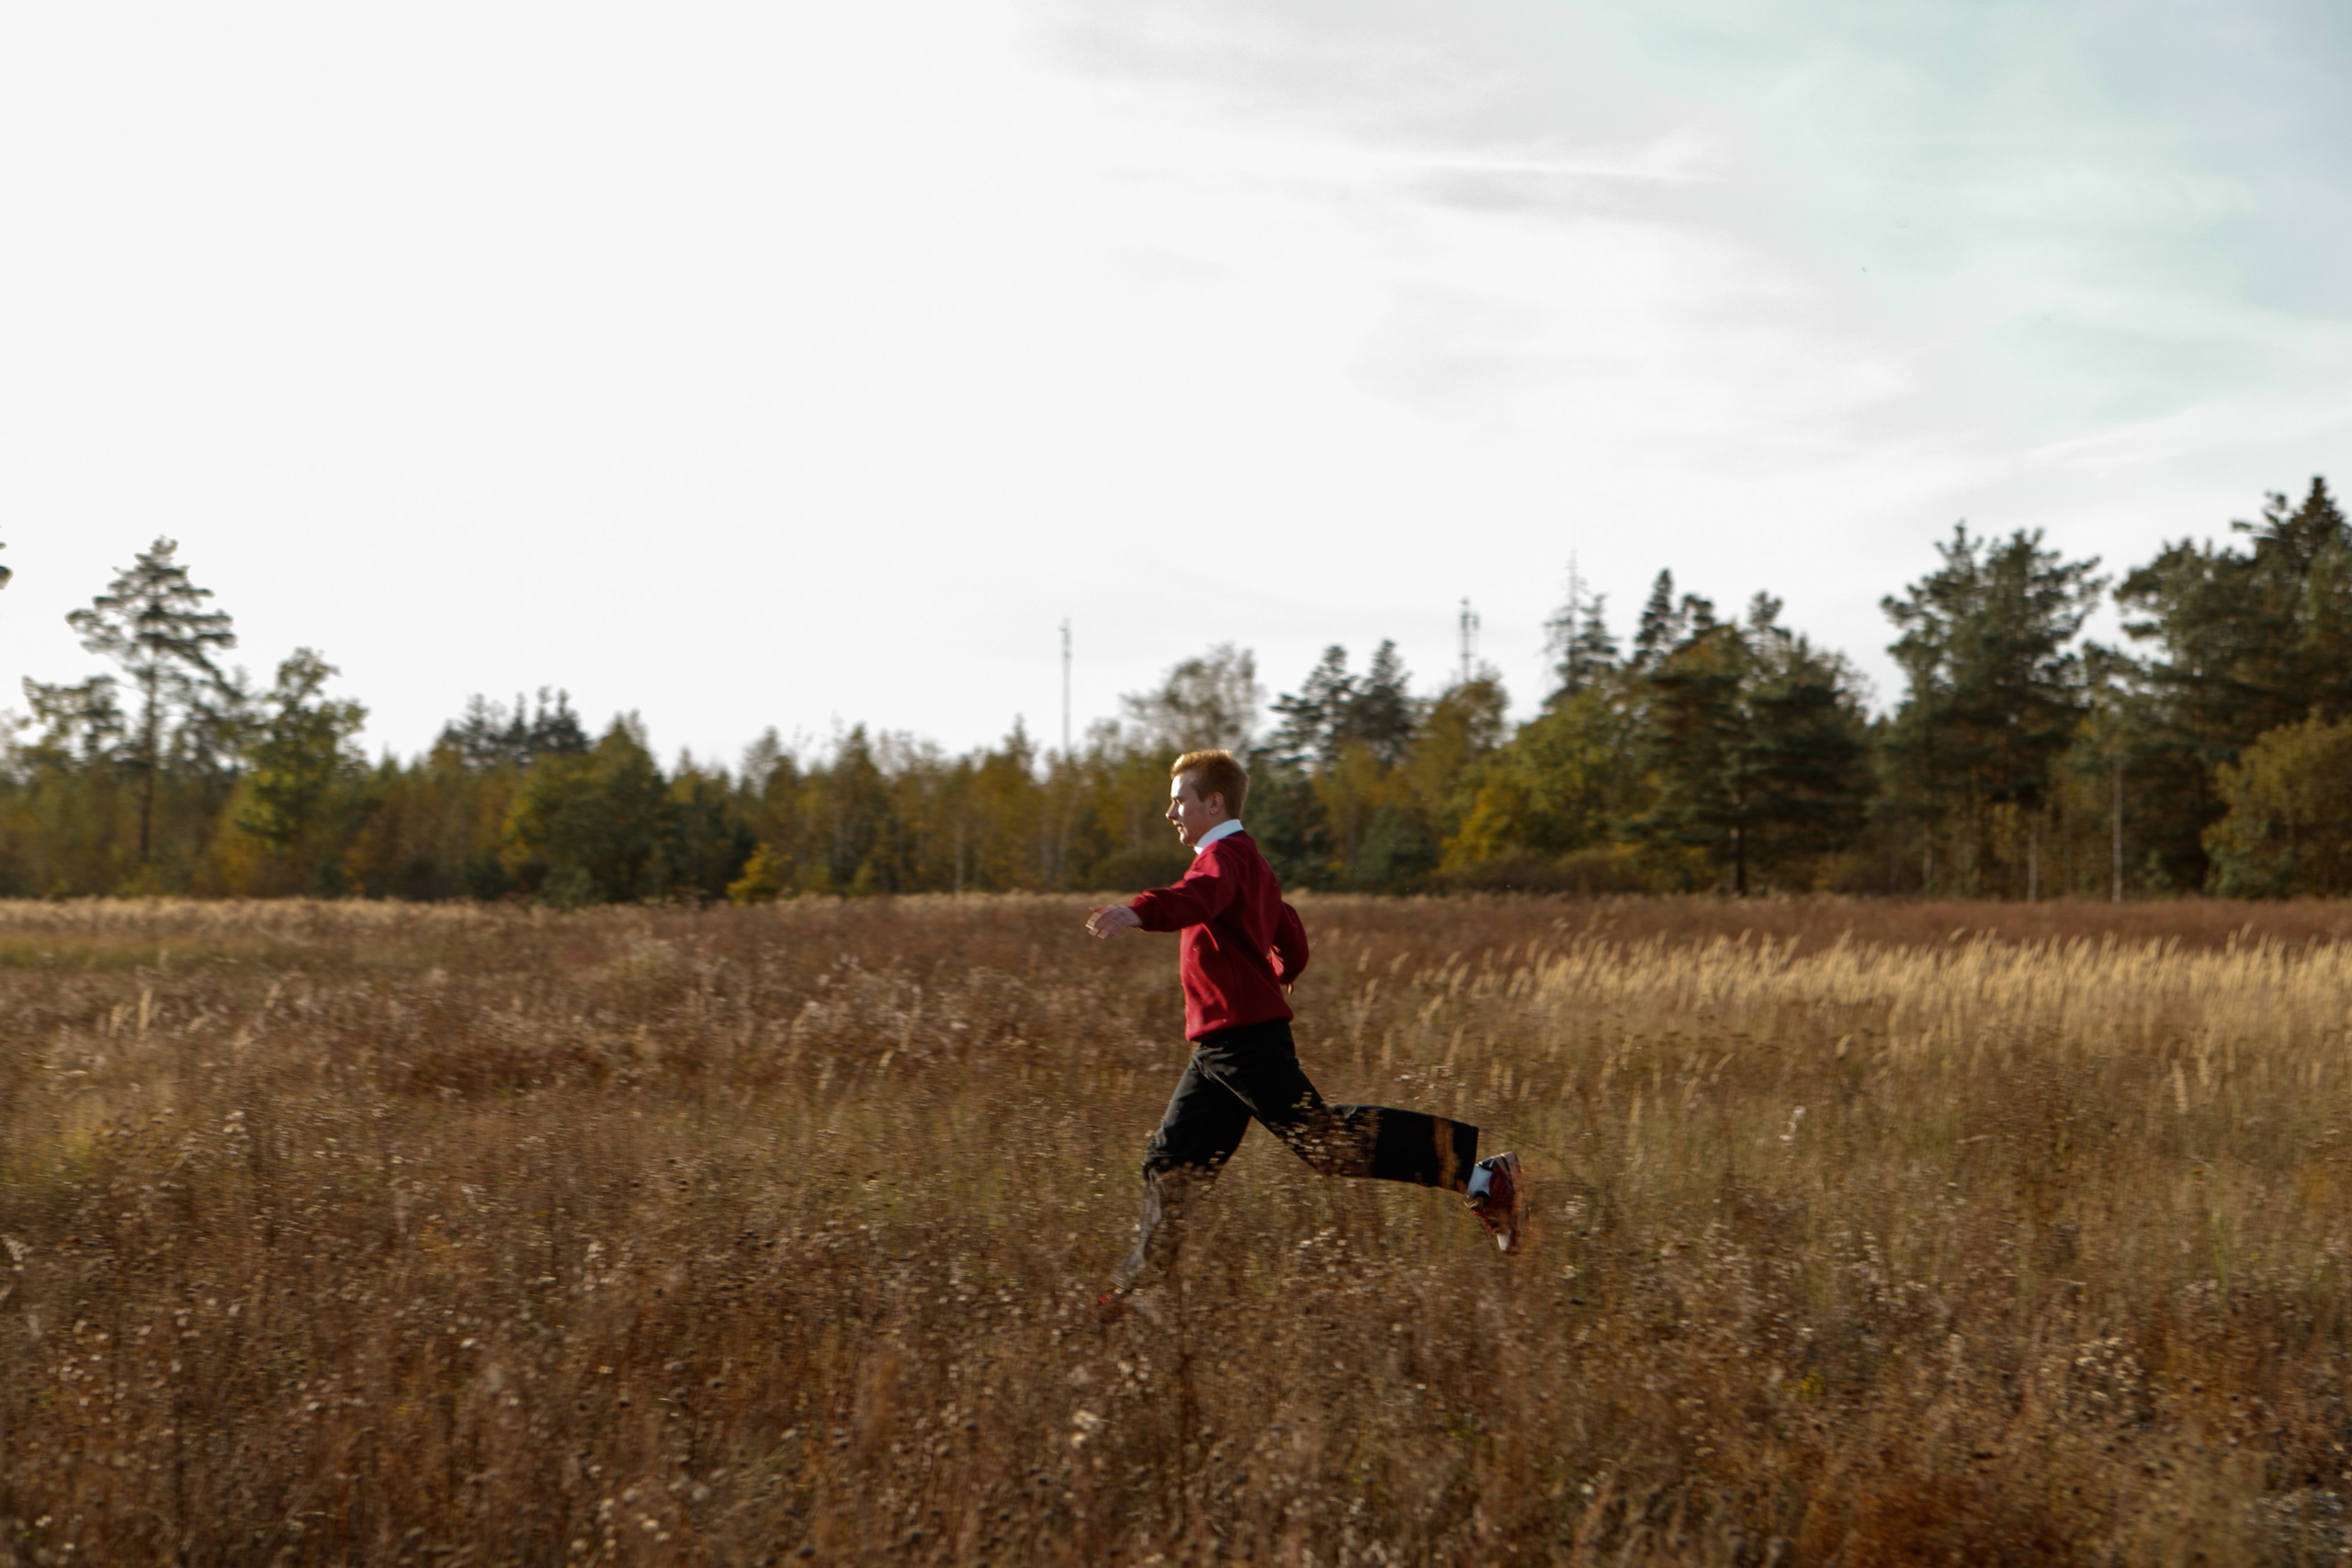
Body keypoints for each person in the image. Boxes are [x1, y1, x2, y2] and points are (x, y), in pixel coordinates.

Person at [1085, 748, 1522, 1318]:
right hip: (1221, 1048)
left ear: (1213, 802)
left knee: (1326, 1144)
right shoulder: (1250, 861)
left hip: (1243, 1040)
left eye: (1179, 801)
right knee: (1172, 1162)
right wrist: (1284, 969)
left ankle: (1483, 1175)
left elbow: (1201, 898)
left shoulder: (1221, 858)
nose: (1171, 812)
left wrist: (1140, 910)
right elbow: (1287, 926)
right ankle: (1138, 1293)